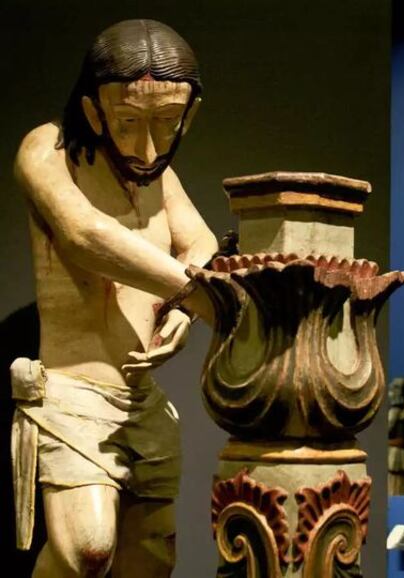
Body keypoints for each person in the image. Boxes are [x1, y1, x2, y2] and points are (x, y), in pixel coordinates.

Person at [12, 19, 217, 578]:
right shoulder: (48, 149)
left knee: (150, 560)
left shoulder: (158, 177)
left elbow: (199, 241)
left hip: (142, 402)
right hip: (74, 392)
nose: (148, 147)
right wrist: (197, 294)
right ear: (94, 110)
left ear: (189, 115)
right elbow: (86, 235)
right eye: (128, 123)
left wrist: (184, 308)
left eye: (167, 123)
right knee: (87, 550)